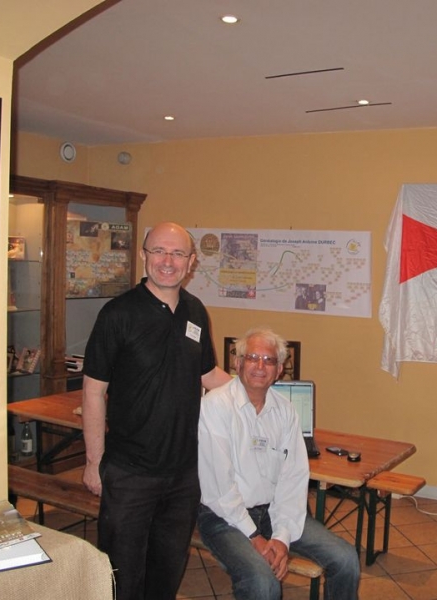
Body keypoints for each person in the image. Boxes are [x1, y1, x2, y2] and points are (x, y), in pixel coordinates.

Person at [81, 222, 231, 600]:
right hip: (129, 474)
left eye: (178, 253)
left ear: (191, 262)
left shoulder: (195, 311)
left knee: (167, 572)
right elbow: (94, 391)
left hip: (183, 475)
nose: (168, 261)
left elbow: (209, 375)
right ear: (143, 255)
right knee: (122, 576)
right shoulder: (117, 314)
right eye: (159, 251)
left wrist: (262, 396)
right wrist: (94, 462)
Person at [197, 327, 360, 600]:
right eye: (252, 358)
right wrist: (255, 537)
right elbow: (219, 490)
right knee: (263, 583)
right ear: (237, 363)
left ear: (279, 370)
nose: (260, 366)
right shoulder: (215, 406)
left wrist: (282, 537)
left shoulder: (285, 411)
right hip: (224, 518)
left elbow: (293, 479)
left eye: (269, 360)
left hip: (274, 513)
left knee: (345, 559)